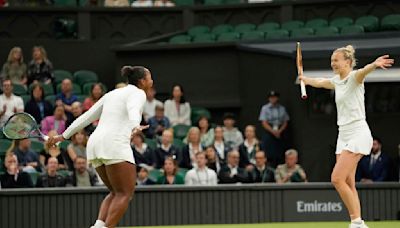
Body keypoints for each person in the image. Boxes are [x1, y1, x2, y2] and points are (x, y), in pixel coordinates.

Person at [299, 45, 393, 228]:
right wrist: (305, 79)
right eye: (332, 60)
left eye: (336, 60)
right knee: (349, 181)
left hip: (358, 132)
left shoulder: (354, 78)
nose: (333, 63)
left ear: (348, 62)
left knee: (337, 178)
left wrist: (373, 65)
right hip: (343, 135)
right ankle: (357, 222)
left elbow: (364, 71)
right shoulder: (336, 81)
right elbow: (320, 82)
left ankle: (357, 222)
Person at [47, 65, 153, 228]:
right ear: (142, 81)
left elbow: (86, 116)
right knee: (125, 193)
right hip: (114, 143)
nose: (151, 81)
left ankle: (98, 226)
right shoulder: (138, 93)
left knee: (115, 192)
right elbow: (133, 108)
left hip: (95, 145)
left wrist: (63, 136)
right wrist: (135, 124)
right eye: (149, 77)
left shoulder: (112, 94)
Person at [259, 90, 290, 167]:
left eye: (274, 97)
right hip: (269, 131)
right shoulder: (265, 108)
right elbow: (264, 122)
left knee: (280, 153)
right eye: (271, 98)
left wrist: (280, 131)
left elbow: (285, 121)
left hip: (280, 132)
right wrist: (273, 131)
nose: (273, 99)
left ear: (277, 98)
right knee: (269, 153)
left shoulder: (282, 108)